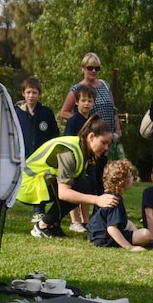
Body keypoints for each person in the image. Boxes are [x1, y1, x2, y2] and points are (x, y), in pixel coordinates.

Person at [16, 114, 118, 238]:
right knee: (82, 186)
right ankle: (42, 226)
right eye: (104, 142)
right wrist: (97, 200)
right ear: (91, 137)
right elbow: (64, 193)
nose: (106, 148)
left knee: (86, 184)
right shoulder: (68, 151)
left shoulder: (81, 149)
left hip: (38, 182)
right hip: (28, 185)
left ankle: (53, 225)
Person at [59, 52, 122, 168]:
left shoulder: (105, 85)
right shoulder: (77, 89)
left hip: (110, 134)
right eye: (90, 68)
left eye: (96, 68)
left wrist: (117, 129)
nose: (93, 71)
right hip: (93, 137)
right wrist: (85, 121)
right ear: (83, 68)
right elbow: (64, 112)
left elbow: (113, 109)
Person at [15, 77, 60, 223]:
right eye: (28, 92)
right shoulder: (17, 113)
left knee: (40, 182)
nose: (31, 96)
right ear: (23, 93)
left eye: (34, 92)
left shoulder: (46, 112)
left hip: (42, 156)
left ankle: (39, 211)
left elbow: (54, 134)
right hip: (24, 154)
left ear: (39, 94)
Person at [88, 159, 153, 250]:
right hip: (105, 239)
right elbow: (111, 229)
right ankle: (133, 240)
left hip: (96, 237)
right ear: (122, 181)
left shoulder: (107, 196)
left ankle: (135, 236)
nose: (133, 179)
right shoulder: (114, 200)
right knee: (145, 234)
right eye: (130, 176)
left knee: (128, 223)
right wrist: (130, 247)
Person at [64, 84, 96, 232]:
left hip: (88, 161)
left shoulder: (93, 121)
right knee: (74, 189)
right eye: (83, 100)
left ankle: (86, 221)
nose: (86, 103)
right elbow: (68, 141)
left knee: (87, 189)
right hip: (74, 160)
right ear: (76, 102)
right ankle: (74, 221)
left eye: (89, 101)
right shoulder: (73, 121)